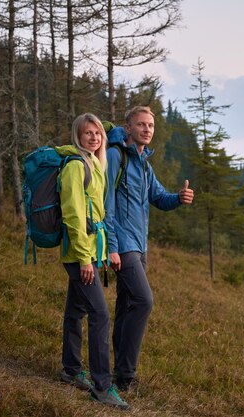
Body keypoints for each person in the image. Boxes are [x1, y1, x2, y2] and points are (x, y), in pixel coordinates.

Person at [104, 106, 194, 392]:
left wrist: (179, 198)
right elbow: (105, 203)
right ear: (128, 127)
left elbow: (158, 197)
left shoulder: (144, 163)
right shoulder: (115, 156)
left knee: (128, 305)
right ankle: (126, 376)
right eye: (141, 125)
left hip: (140, 248)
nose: (147, 130)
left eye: (151, 126)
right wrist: (112, 247)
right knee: (144, 301)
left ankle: (119, 373)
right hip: (123, 245)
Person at [57, 113, 129, 409]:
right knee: (100, 315)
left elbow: (96, 214)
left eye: (98, 133)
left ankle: (71, 369)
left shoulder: (95, 164)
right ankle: (102, 386)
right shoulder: (76, 166)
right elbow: (73, 215)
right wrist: (85, 259)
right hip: (80, 254)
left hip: (91, 252)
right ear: (78, 136)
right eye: (87, 133)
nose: (94, 137)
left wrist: (101, 253)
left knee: (75, 311)